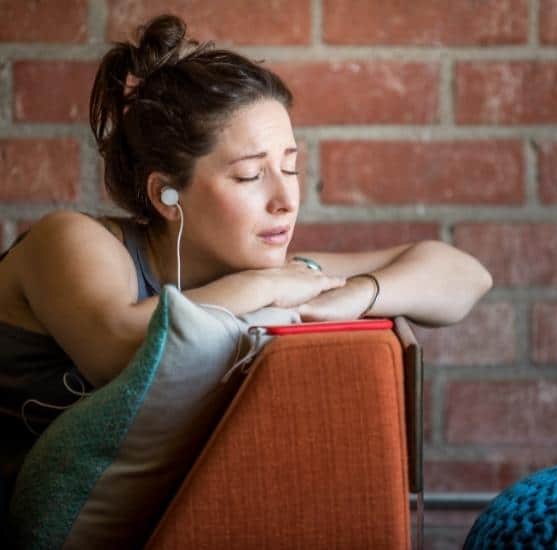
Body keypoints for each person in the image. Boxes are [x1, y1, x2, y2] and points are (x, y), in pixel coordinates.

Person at [0, 14, 492, 495]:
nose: (286, 199)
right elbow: (122, 348)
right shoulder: (69, 241)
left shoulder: (262, 267)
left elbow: (466, 276)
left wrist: (363, 293)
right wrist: (268, 287)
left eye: (291, 167)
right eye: (250, 176)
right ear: (165, 195)